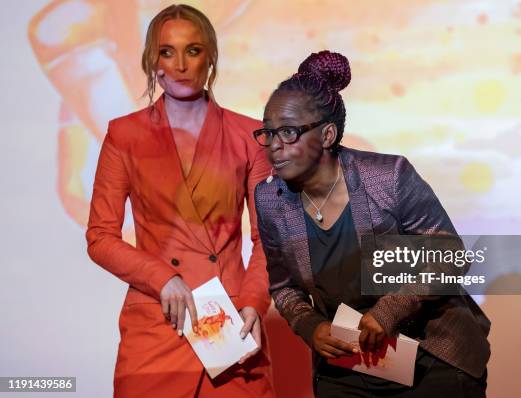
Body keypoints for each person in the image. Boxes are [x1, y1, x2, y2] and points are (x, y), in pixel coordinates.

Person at [253, 50, 490, 397]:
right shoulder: (270, 201)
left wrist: (388, 310)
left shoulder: (388, 177)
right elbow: (284, 287)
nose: (274, 146)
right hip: (349, 366)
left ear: (328, 135)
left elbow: (449, 253)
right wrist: (310, 325)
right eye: (268, 133)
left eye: (288, 132)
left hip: (431, 358)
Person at [86, 4, 274, 397]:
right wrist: (162, 278)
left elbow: (268, 238)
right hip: (157, 321)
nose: (180, 64)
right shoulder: (124, 136)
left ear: (211, 57)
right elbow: (100, 237)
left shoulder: (250, 136)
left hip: (231, 322)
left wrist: (254, 302)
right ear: (151, 60)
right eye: (166, 51)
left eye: (193, 50)